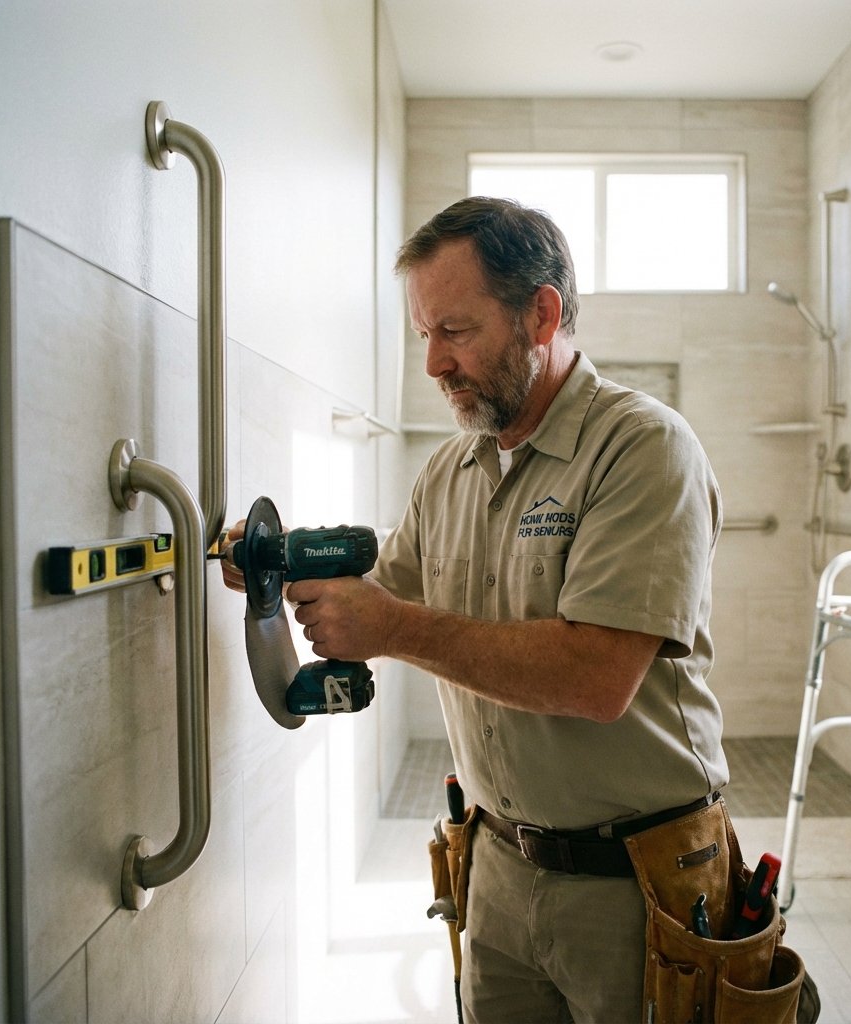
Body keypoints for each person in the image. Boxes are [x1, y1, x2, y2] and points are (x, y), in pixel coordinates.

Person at [229, 196, 728, 1023]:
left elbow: (597, 678)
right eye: (425, 334)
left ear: (542, 314)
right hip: (494, 867)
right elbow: (384, 584)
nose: (433, 364)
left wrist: (390, 628)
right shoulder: (450, 472)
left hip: (637, 887)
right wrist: (271, 567)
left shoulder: (643, 447)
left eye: (454, 331)